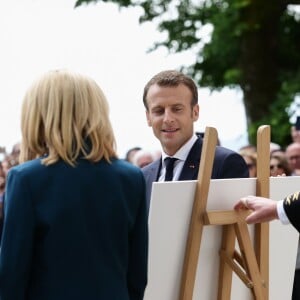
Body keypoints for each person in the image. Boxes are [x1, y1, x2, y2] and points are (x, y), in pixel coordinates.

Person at [0, 70, 148, 300]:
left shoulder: (26, 179)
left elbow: (12, 277)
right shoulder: (131, 177)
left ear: (39, 113)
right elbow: (137, 275)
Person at [141, 70, 249, 209]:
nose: (168, 119)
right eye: (159, 111)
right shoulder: (144, 177)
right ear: (148, 117)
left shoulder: (224, 163)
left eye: (177, 109)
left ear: (195, 112)